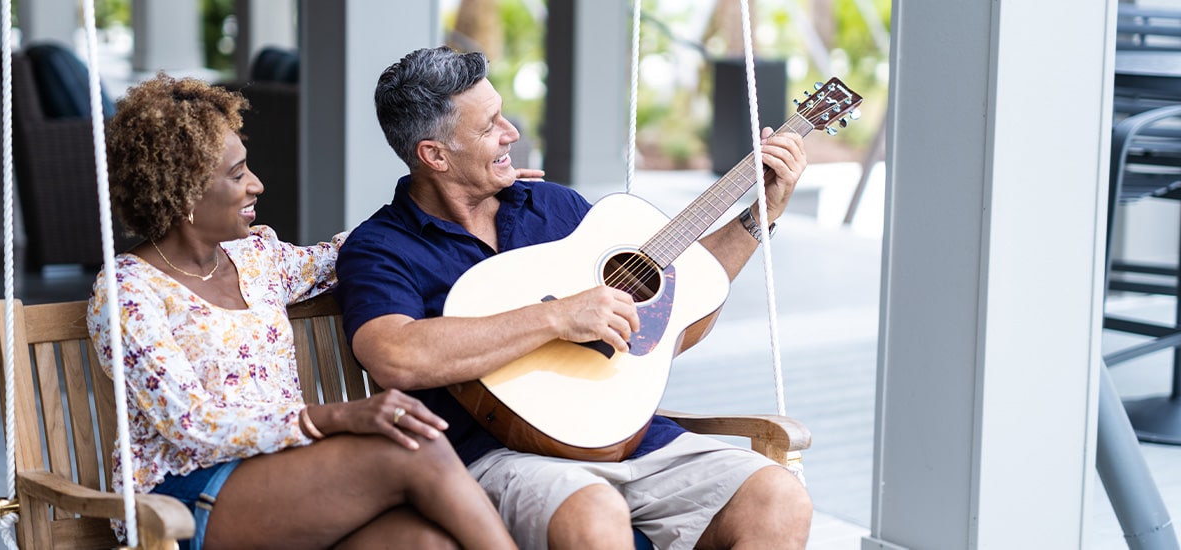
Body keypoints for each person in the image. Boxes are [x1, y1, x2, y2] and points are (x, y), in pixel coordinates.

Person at [335, 46, 814, 550]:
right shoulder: (383, 247)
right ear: (435, 155)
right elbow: (394, 354)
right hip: (498, 456)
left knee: (777, 496)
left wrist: (759, 215)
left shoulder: (553, 206)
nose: (511, 133)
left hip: (633, 441)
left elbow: (681, 281)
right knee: (594, 509)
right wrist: (556, 317)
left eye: (503, 114)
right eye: (489, 126)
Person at [87, 73, 517, 550]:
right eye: (237, 175)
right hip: (181, 501)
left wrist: (472, 195)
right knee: (416, 446)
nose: (256, 184)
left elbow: (361, 249)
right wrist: (334, 418)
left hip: (289, 474)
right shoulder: (128, 291)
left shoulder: (255, 259)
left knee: (424, 542)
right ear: (182, 191)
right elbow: (192, 426)